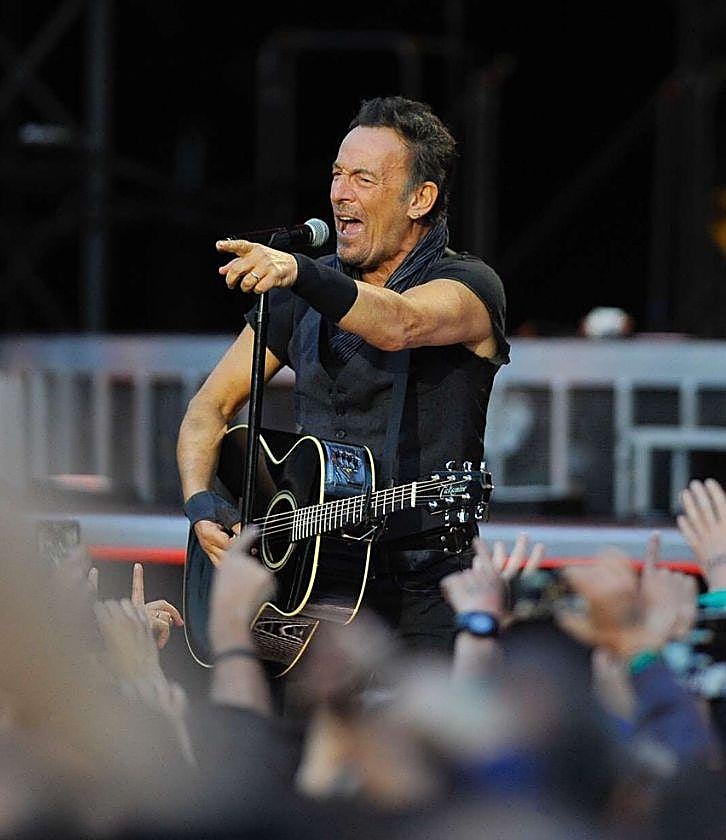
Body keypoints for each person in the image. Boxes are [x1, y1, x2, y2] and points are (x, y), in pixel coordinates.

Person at [176, 96, 510, 653]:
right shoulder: (300, 291)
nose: (339, 193)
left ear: (420, 199)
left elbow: (399, 324)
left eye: (364, 179)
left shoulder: (471, 286)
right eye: (336, 174)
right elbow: (207, 410)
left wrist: (300, 273)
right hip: (316, 585)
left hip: (428, 586)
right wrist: (200, 504)